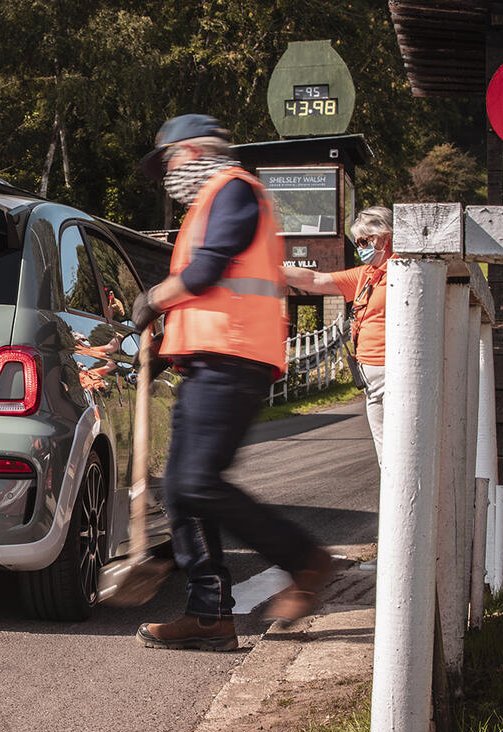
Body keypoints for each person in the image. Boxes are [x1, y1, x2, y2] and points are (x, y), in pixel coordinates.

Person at [131, 114, 333, 651]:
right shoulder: (211, 201)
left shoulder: (235, 191)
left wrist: (152, 300)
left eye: (171, 160)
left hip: (235, 357)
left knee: (198, 482)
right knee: (181, 487)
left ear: (194, 153)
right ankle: (208, 614)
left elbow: (207, 273)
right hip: (209, 359)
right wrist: (158, 347)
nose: (169, 174)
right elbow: (203, 296)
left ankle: (305, 560)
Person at [283, 206, 392, 466]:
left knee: (402, 453)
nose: (359, 247)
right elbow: (314, 279)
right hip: (370, 380)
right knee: (385, 458)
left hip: (394, 374)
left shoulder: (402, 270)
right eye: (357, 242)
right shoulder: (365, 275)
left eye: (364, 240)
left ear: (383, 238)